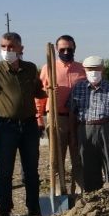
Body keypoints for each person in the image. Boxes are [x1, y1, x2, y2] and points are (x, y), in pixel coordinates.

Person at [0, 32, 46, 216]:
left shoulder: (30, 68)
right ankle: (5, 210)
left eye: (11, 47)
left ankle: (33, 207)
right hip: (5, 126)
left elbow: (38, 91)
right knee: (5, 170)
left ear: (20, 49)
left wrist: (49, 90)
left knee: (31, 169)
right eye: (3, 47)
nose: (7, 51)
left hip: (28, 125)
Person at [35, 35, 86, 195]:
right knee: (56, 158)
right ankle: (58, 192)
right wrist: (39, 117)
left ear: (74, 48)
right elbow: (39, 94)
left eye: (69, 49)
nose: (65, 52)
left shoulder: (82, 68)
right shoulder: (48, 68)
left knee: (78, 158)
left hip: (78, 119)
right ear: (56, 50)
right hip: (57, 117)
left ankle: (79, 192)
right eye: (62, 49)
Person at [68, 56, 109, 191]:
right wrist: (73, 135)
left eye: (96, 69)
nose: (93, 72)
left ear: (102, 70)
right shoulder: (78, 88)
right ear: (85, 70)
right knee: (88, 165)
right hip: (85, 128)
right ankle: (93, 198)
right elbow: (72, 113)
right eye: (90, 69)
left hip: (108, 128)